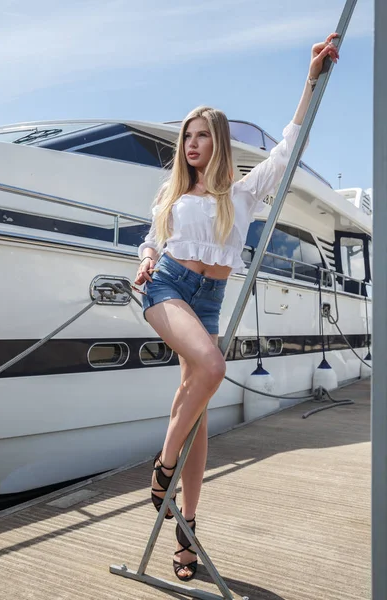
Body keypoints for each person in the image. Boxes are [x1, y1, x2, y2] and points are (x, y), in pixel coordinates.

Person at [134, 33, 340, 581]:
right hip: (167, 290)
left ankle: (185, 536)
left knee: (199, 415)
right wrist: (146, 259)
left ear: (218, 142)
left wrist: (310, 80)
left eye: (202, 135)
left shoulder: (243, 197)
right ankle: (161, 471)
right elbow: (154, 240)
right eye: (187, 136)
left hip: (209, 303)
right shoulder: (172, 197)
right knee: (215, 368)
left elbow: (289, 148)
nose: (192, 144)